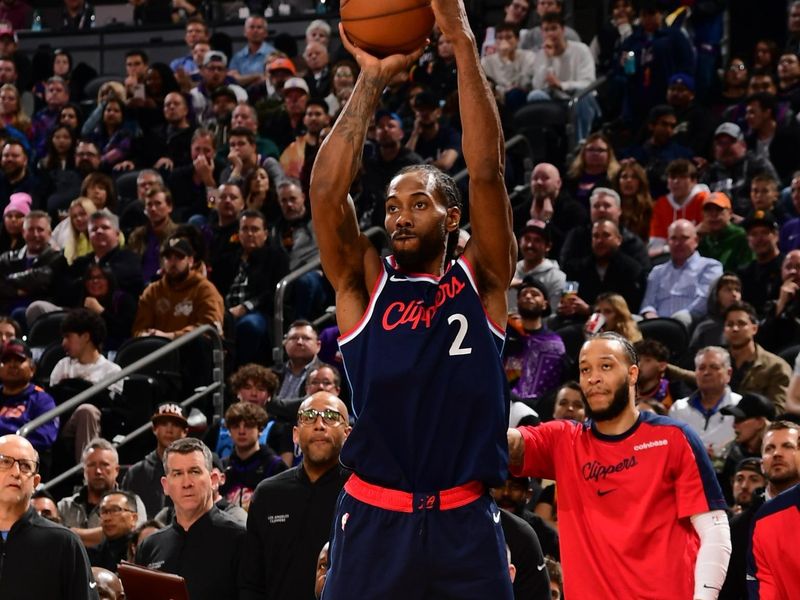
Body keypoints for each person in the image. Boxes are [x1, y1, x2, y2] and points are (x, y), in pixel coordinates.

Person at [309, 0, 516, 596]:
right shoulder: (364, 286)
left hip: (464, 518)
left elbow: (487, 172)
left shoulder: (485, 280)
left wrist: (462, 43)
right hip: (376, 515)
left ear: (453, 217)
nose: (400, 216)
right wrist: (370, 82)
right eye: (393, 206)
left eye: (418, 203)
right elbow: (325, 190)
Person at [507, 332, 731, 599]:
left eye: (606, 366)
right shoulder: (564, 441)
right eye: (585, 369)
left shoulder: (673, 438)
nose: (593, 378)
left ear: (633, 373)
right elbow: (509, 445)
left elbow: (715, 531)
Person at [240, 392, 351, 600]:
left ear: (347, 434)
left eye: (331, 416)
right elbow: (251, 582)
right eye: (309, 416)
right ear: (295, 434)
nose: (319, 424)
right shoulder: (267, 494)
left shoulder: (361, 494)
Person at [135, 438, 245, 600]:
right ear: (165, 485)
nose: (186, 483)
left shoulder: (240, 539)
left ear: (213, 480)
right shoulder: (150, 546)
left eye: (194, 471)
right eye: (177, 473)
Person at [0, 434, 98, 599]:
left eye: (25, 466)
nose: (16, 472)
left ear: (35, 482)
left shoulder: (64, 543)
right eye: (5, 462)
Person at [50, 308, 123, 462]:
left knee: (87, 411)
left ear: (85, 337)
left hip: (99, 430)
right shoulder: (62, 366)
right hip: (63, 428)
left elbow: (112, 414)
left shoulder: (112, 371)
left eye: (68, 337)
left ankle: (86, 475)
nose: (63, 343)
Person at [58, 438, 147, 547]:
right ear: (84, 470)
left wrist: (70, 532)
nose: (98, 471)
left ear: (117, 470)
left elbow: (137, 539)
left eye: (104, 465)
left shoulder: (133, 502)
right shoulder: (65, 506)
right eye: (91, 465)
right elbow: (55, 539)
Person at [131, 236, 224, 340]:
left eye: (179, 257)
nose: (173, 262)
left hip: (194, 351)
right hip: (157, 351)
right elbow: (139, 329)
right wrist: (146, 335)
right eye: (168, 257)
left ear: (190, 261)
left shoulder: (205, 290)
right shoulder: (152, 291)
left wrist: (171, 337)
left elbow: (210, 329)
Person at [640, 219, 723, 325]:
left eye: (684, 238)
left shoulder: (710, 267)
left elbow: (703, 301)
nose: (678, 243)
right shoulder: (657, 272)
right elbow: (647, 304)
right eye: (673, 238)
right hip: (658, 326)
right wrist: (651, 315)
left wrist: (678, 320)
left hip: (691, 324)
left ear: (696, 241)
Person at [669, 346, 741, 465]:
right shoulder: (678, 409)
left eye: (714, 367)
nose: (707, 372)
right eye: (701, 368)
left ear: (728, 373)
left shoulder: (739, 405)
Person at [503, 276, 565, 404]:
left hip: (539, 408)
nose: (528, 296)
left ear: (545, 304)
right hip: (504, 401)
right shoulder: (505, 332)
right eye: (524, 294)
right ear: (517, 301)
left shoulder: (554, 343)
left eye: (535, 294)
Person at [121, 403, 189, 518]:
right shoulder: (136, 473)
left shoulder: (192, 471)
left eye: (175, 424)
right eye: (163, 423)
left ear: (185, 432)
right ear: (154, 429)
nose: (169, 429)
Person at [722, 301, 791, 412]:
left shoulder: (776, 367)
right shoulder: (716, 362)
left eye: (741, 323)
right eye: (730, 324)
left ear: (754, 328)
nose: (735, 329)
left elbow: (778, 411)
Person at [218, 402, 287, 510]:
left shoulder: (275, 466)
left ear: (260, 430)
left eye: (248, 426)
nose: (241, 431)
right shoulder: (222, 467)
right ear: (229, 431)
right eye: (236, 426)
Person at [0, 338, 58, 455]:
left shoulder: (43, 400)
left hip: (21, 461)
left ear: (32, 369)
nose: (12, 365)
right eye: (6, 360)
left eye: (19, 360)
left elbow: (45, 437)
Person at [87, 490, 139, 572]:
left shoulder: (141, 551)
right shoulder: (90, 555)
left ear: (134, 518)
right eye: (103, 512)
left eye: (115, 510)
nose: (107, 518)